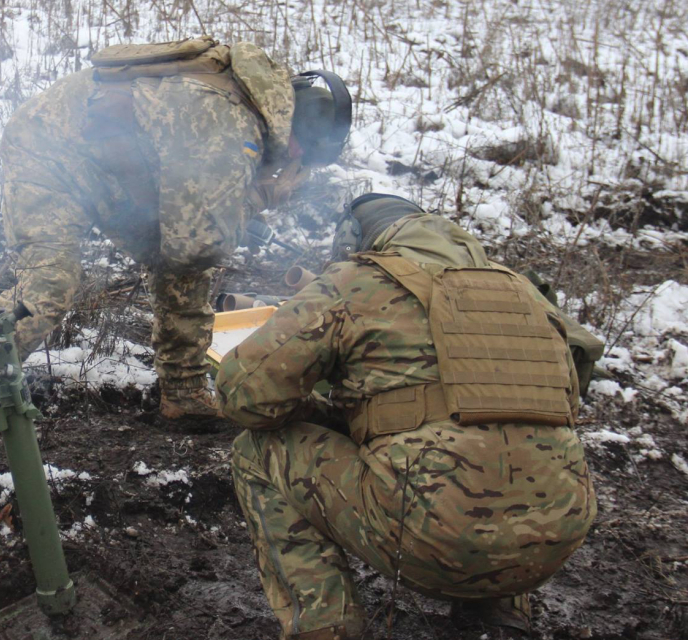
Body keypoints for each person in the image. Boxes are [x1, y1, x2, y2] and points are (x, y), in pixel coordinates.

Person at [0, 37, 350, 472]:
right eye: (304, 157)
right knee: (50, 283)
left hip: (116, 171)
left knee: (183, 268)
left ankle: (182, 394)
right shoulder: (228, 126)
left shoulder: (250, 102)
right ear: (297, 137)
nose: (295, 165)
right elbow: (198, 243)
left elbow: (186, 242)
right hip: (48, 154)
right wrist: (256, 198)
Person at [218, 194, 599, 640]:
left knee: (258, 451)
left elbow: (243, 395)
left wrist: (326, 409)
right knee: (506, 437)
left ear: (358, 241)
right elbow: (565, 401)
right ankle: (497, 619)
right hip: (553, 543)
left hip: (430, 540)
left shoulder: (356, 280)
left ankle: (325, 627)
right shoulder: (525, 291)